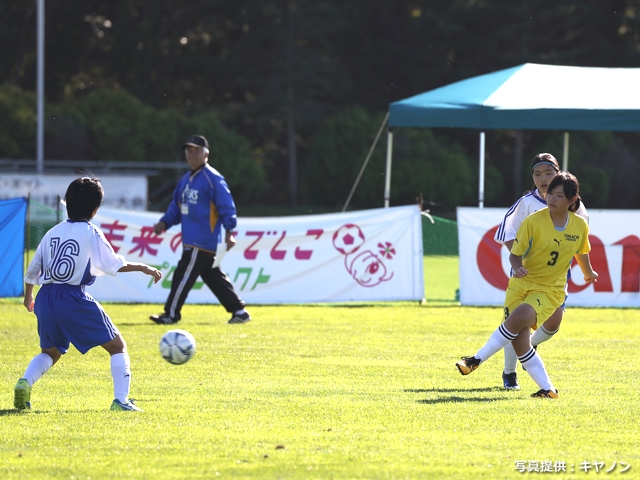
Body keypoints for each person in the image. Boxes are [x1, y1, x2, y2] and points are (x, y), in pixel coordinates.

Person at [15, 177, 162, 412]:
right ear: (95, 210)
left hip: (45, 297)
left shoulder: (52, 232)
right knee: (117, 346)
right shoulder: (91, 232)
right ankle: (121, 401)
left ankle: (25, 382)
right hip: (72, 296)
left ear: (68, 203)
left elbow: (33, 269)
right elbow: (114, 264)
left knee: (51, 352)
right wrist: (143, 267)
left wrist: (29, 296)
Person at [456, 172, 598, 398]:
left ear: (572, 200)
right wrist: (518, 266)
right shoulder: (533, 221)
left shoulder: (580, 225)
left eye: (559, 195)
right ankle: (548, 389)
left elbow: (582, 251)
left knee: (520, 316)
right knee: (520, 341)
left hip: (550, 290)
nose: (552, 198)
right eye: (550, 193)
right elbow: (515, 255)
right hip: (520, 285)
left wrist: (588, 272)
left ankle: (476, 360)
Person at [493, 153, 589, 391]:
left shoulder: (573, 204)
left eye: (548, 173)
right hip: (526, 274)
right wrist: (520, 260)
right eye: (538, 174)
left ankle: (529, 349)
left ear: (559, 174)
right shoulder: (526, 203)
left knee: (555, 321)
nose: (543, 178)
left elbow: (578, 238)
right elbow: (507, 233)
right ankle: (509, 372)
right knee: (514, 322)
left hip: (555, 276)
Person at [149, 134, 251, 325]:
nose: (191, 155)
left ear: (206, 154)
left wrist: (230, 231)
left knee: (182, 276)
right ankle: (239, 311)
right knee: (213, 276)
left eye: (196, 151)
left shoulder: (213, 178)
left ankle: (171, 314)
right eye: (189, 151)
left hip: (202, 240)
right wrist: (165, 222)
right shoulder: (186, 179)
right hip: (194, 240)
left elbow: (226, 206)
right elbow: (176, 207)